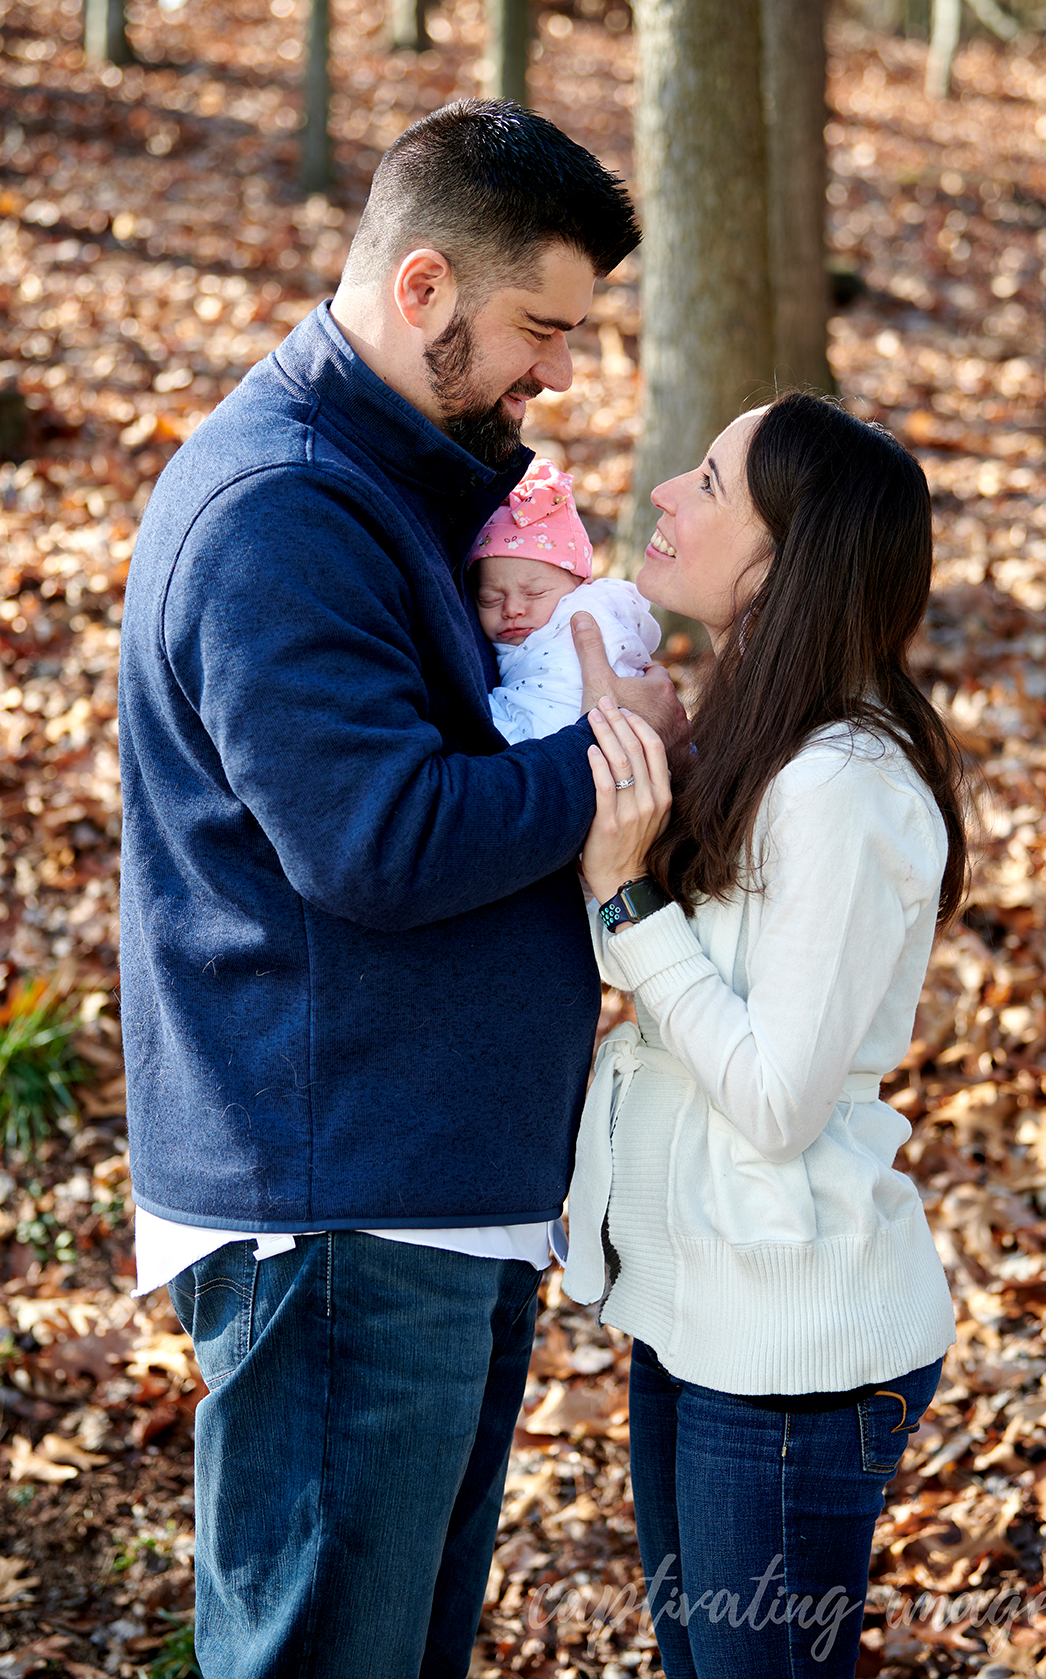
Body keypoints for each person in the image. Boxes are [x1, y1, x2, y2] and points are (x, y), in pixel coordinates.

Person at [117, 98, 686, 1679]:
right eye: (541, 328)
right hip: (337, 1197)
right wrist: (615, 770)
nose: (561, 371)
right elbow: (377, 838)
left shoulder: (412, 483)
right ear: (423, 286)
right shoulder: (282, 516)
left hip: (428, 1187)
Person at [562, 393, 967, 1679]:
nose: (668, 495)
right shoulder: (756, 738)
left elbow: (779, 1099)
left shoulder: (844, 785)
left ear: (783, 561)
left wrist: (629, 895)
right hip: (699, 1322)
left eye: (709, 481)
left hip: (795, 1364)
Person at [467, 455, 661, 741]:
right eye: (490, 599)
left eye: (534, 593)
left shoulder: (584, 617)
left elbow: (555, 716)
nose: (512, 609)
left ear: (580, 583)